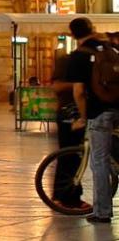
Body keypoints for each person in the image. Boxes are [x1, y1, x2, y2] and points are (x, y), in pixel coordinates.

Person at [65, 16, 119, 224]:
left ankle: (102, 212)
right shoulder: (109, 49)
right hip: (117, 107)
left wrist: (83, 117)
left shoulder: (79, 55)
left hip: (99, 113)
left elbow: (78, 92)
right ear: (93, 29)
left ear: (72, 34)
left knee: (99, 162)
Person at [51, 49, 88, 211]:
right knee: (69, 156)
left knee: (76, 156)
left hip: (81, 112)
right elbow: (57, 86)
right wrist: (81, 84)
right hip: (69, 113)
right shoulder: (67, 60)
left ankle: (69, 196)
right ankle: (65, 197)